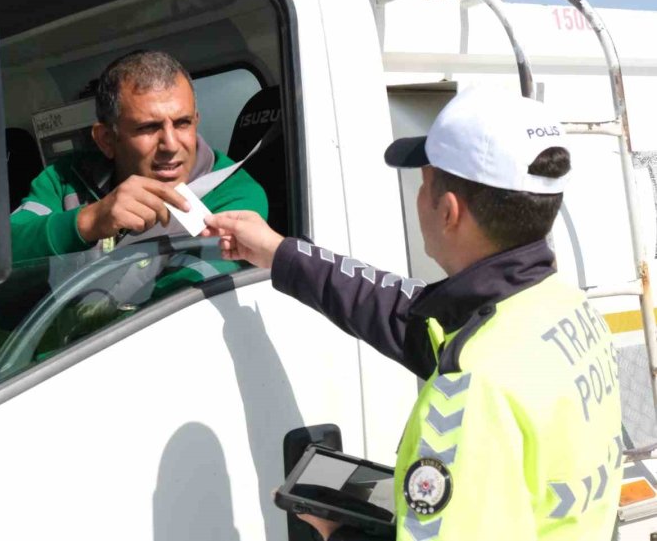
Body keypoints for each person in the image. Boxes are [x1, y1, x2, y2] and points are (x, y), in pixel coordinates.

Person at [203, 87, 622, 540]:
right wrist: (279, 252)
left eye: (423, 185)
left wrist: (337, 532)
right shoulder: (561, 307)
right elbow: (402, 313)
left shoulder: (471, 385)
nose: (418, 198)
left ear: (448, 211)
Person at [10, 50, 268, 262]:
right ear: (106, 140)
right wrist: (88, 221)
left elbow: (192, 291)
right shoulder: (65, 180)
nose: (170, 144)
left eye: (182, 123)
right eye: (148, 127)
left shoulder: (234, 194)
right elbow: (2, 249)